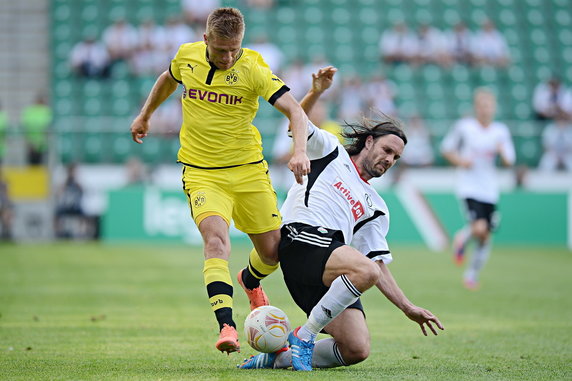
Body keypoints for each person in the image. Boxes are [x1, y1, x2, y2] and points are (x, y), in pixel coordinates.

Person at [129, 7, 311, 354]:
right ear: (206, 40)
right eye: (220, 50)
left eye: (234, 49)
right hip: (201, 173)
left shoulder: (254, 68)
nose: (228, 57)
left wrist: (299, 151)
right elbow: (168, 78)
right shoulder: (187, 57)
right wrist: (145, 115)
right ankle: (226, 325)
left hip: (248, 171)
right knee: (216, 243)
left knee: (272, 254)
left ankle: (250, 280)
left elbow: (295, 111)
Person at [240, 67, 444, 371]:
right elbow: (295, 123)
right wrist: (317, 91)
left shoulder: (376, 206)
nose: (389, 160)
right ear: (370, 142)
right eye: (387, 150)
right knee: (363, 271)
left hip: (327, 270)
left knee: (356, 348)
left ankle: (276, 359)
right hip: (300, 238)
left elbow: (376, 265)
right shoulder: (330, 151)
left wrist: (407, 307)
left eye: (396, 158)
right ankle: (305, 335)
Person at [440, 88, 516, 290]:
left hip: (489, 188)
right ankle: (463, 239)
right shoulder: (465, 127)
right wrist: (461, 161)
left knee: (485, 236)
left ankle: (471, 274)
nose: (485, 110)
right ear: (476, 107)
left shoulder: (500, 131)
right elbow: (446, 148)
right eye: (482, 105)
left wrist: (502, 153)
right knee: (480, 228)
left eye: (489, 106)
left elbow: (510, 161)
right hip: (468, 186)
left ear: (494, 108)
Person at [20, 94, 52, 165]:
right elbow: (26, 127)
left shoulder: (31, 111)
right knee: (34, 167)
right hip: (34, 144)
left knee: (38, 166)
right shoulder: (45, 111)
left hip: (39, 144)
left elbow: (46, 129)